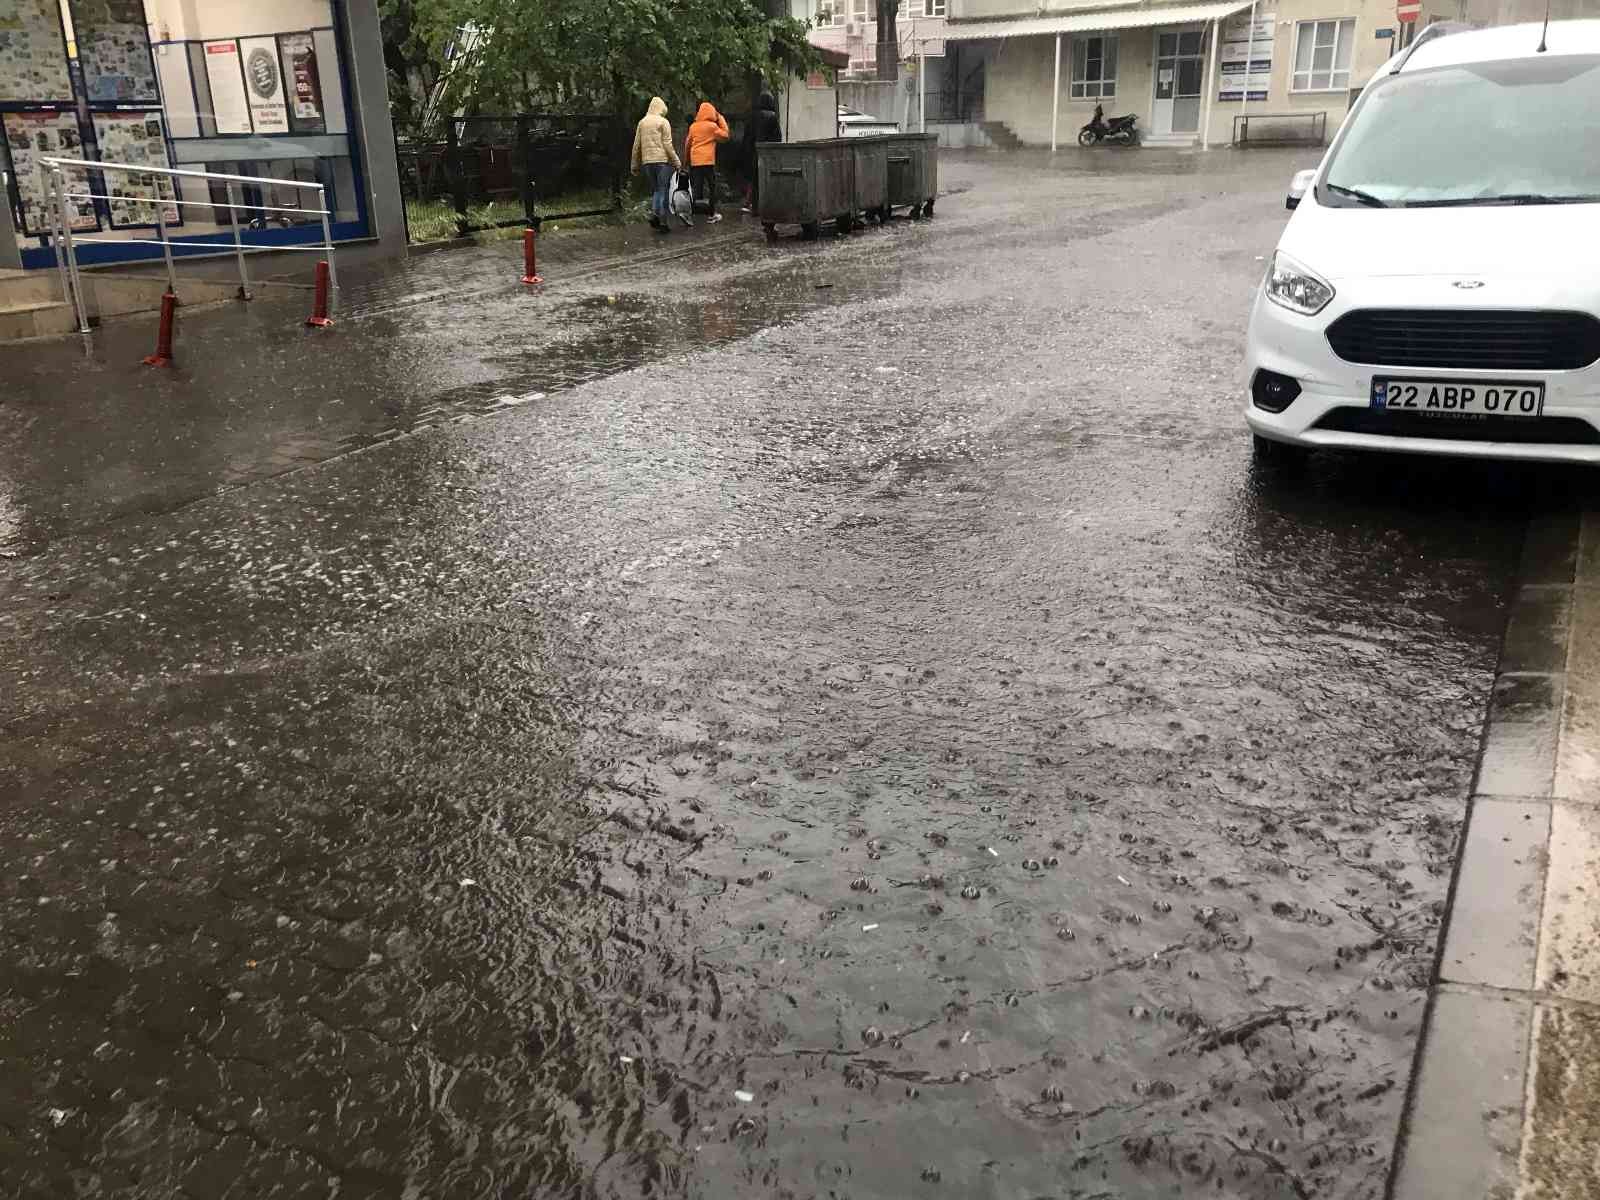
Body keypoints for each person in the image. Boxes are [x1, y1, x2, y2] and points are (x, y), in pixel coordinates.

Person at [630, 96, 681, 234]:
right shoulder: (663, 122)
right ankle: (663, 222)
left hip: (647, 162)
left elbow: (636, 146)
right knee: (663, 189)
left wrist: (634, 164)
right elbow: (667, 145)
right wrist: (677, 162)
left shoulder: (642, 123)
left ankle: (655, 215)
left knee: (656, 190)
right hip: (662, 162)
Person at [683, 101, 730, 224]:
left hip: (695, 161)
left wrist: (686, 160)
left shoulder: (693, 127)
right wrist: (720, 118)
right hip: (708, 161)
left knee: (695, 188)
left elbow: (687, 144)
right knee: (711, 187)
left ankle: (688, 213)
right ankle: (712, 213)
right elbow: (725, 135)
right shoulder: (712, 127)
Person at [741, 91, 782, 214]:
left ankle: (755, 208)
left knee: (755, 181)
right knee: (767, 180)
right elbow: (777, 137)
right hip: (767, 153)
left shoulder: (752, 116)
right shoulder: (772, 116)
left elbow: (746, 136)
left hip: (753, 153)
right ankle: (767, 206)